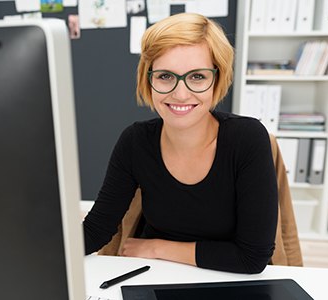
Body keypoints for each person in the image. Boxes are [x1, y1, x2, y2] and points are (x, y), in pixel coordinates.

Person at [83, 12, 278, 274]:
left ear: (216, 79)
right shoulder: (135, 141)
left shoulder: (247, 139)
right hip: (154, 273)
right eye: (165, 76)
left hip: (226, 278)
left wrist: (157, 248)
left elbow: (252, 257)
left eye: (197, 76)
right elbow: (96, 230)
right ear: (148, 79)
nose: (181, 93)